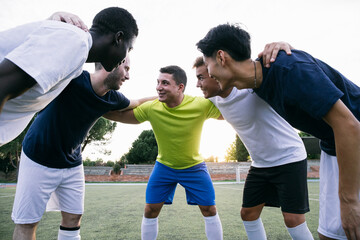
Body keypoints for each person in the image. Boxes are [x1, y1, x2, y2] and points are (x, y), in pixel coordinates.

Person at [196, 23, 360, 240]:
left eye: (207, 66)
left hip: (351, 139)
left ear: (221, 57)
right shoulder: (256, 83)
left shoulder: (288, 69)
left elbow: (349, 125)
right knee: (330, 236)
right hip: (332, 145)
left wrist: (348, 200)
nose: (207, 74)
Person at [11, 55, 155, 240]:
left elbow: (136, 103)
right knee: (27, 223)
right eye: (126, 69)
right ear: (113, 63)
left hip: (72, 163)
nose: (128, 76)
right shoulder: (73, 78)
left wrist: (163, 98)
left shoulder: (112, 98)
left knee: (73, 217)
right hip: (38, 156)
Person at [193, 55, 314, 240]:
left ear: (215, 72)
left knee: (293, 218)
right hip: (261, 165)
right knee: (248, 213)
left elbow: (267, 64)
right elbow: (180, 99)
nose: (197, 84)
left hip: (290, 157)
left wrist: (279, 45)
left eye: (201, 77)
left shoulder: (250, 87)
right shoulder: (214, 100)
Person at [104, 65, 224, 240]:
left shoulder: (201, 105)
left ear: (180, 87)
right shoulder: (152, 107)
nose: (159, 87)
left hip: (194, 167)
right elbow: (122, 116)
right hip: (164, 167)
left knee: (209, 209)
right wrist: (96, 109)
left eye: (165, 83)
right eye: (158, 82)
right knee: (150, 210)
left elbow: (231, 113)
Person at [0, 7, 138, 146]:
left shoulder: (75, 59)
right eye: (129, 48)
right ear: (118, 38)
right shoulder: (74, 41)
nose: (125, 57)